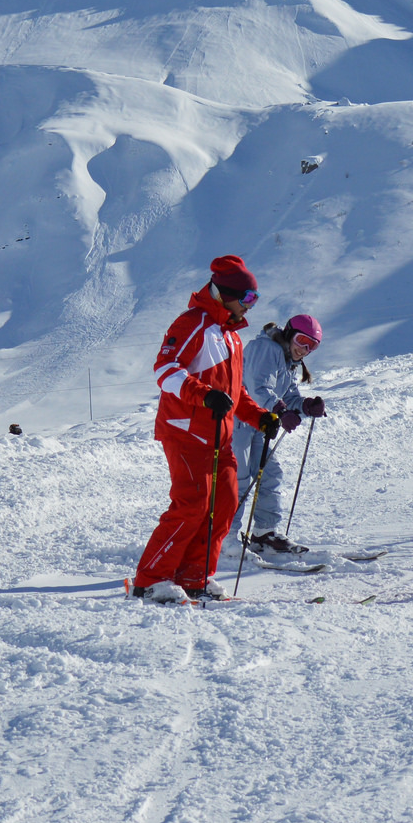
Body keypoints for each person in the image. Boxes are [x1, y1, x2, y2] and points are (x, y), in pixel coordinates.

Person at [132, 255, 278, 603]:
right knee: (192, 504)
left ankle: (195, 576)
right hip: (185, 431)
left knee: (224, 504)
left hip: (219, 438)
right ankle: (150, 579)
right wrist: (203, 395)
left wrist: (260, 417)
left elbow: (235, 392)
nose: (250, 307)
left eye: (254, 299)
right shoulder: (191, 324)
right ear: (224, 293)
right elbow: (164, 369)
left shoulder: (231, 338)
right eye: (247, 298)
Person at [229, 315, 329, 555]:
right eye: (302, 340)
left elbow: (289, 395)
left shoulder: (287, 360)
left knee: (270, 474)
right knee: (237, 480)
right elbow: (257, 388)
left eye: (311, 346)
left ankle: (264, 534)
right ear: (289, 333)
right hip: (239, 421)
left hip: (261, 424)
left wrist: (305, 406)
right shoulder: (267, 349)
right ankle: (225, 539)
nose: (304, 349)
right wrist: (280, 410)